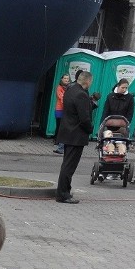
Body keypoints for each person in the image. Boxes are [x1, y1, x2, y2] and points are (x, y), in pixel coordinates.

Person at [55, 70, 94, 204]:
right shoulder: (81, 94)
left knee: (67, 164)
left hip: (67, 132)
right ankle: (63, 194)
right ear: (87, 81)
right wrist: (90, 129)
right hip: (76, 135)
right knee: (69, 166)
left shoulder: (70, 89)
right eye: (91, 81)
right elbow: (84, 118)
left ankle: (64, 191)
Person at [52, 73, 70, 154]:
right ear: (61, 79)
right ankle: (57, 140)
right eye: (65, 78)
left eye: (67, 78)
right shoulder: (59, 87)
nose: (66, 80)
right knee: (59, 125)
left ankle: (60, 141)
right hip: (59, 109)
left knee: (63, 126)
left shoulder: (69, 87)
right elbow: (61, 97)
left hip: (65, 110)